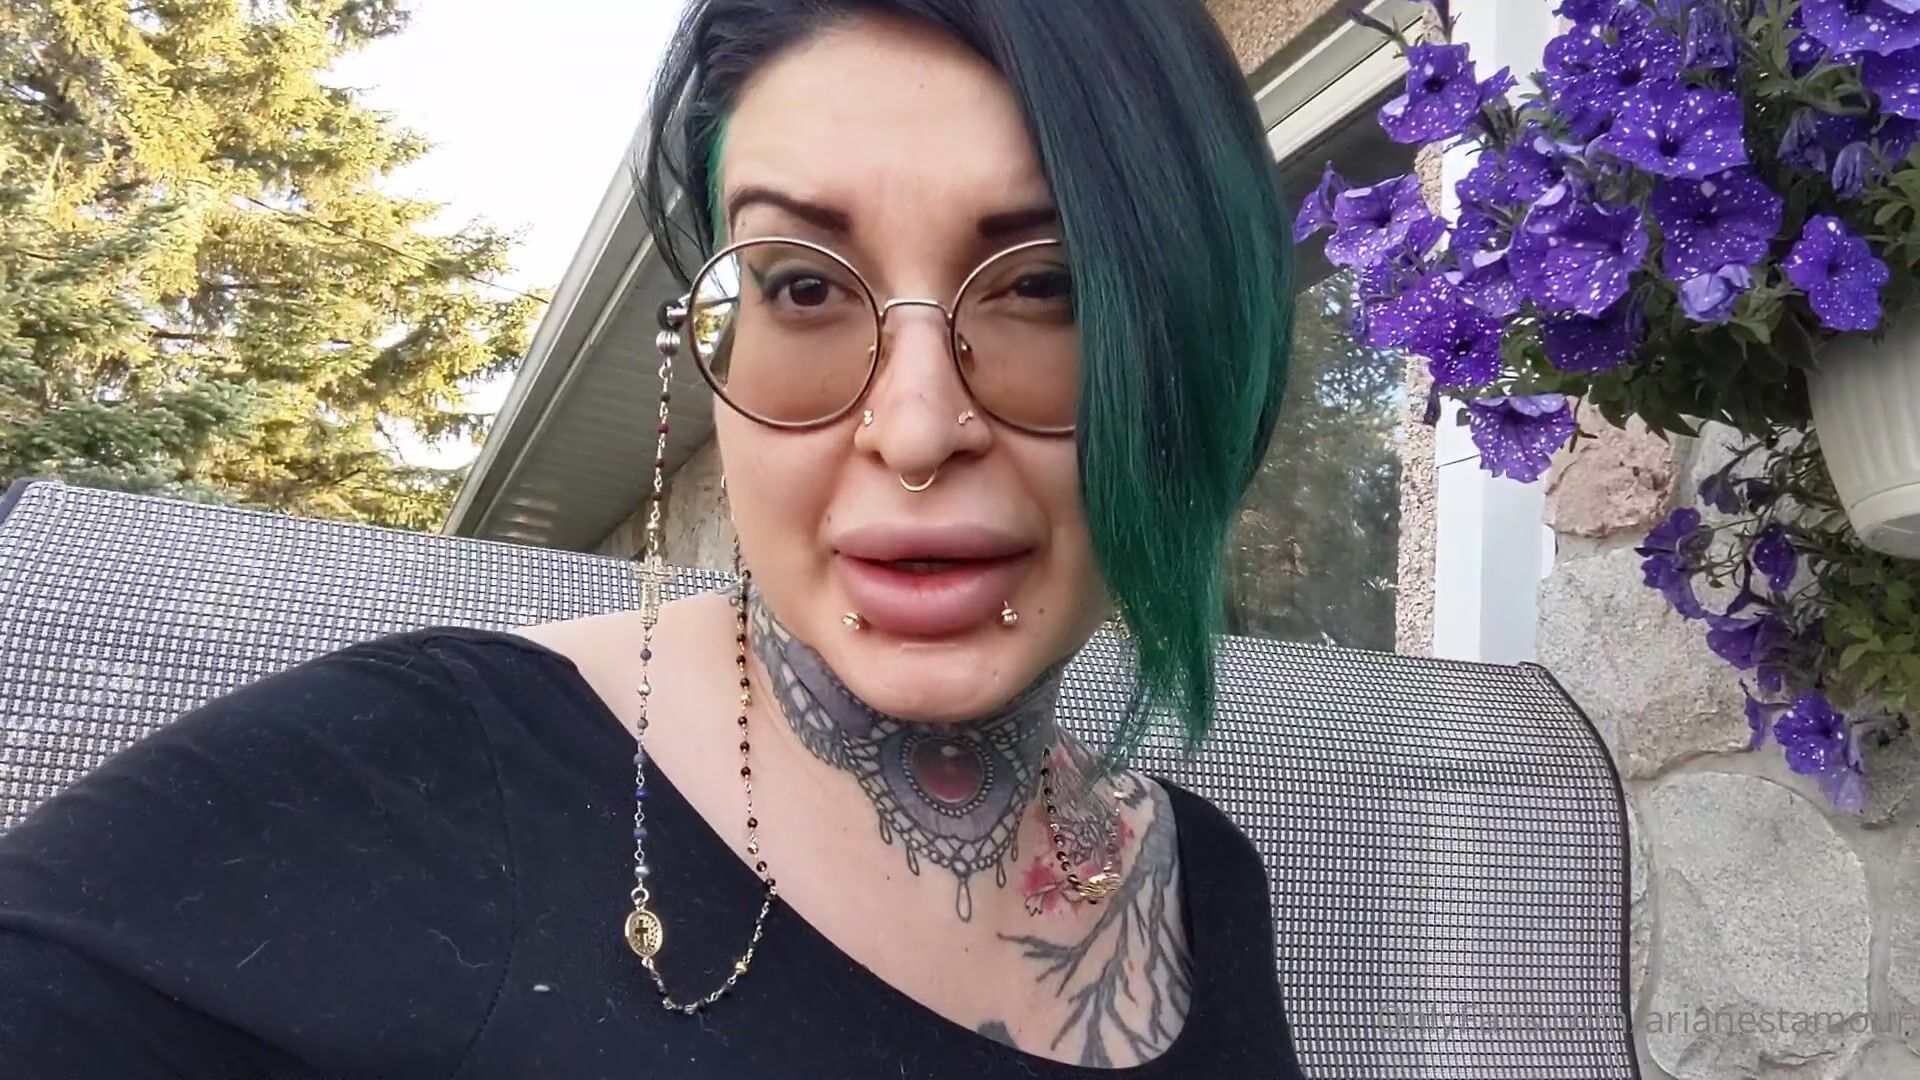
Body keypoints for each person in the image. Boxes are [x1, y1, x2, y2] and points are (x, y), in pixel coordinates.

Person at [0, 0, 1302, 1075]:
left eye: (1047, 287)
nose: (914, 430)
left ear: (1207, 349)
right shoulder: (410, 776)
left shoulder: (1202, 886)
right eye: (803, 286)